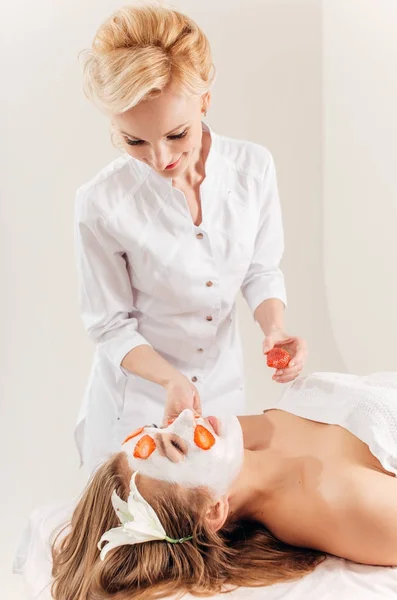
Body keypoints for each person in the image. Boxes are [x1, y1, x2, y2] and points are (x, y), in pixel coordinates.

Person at [74, 3, 307, 474]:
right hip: (138, 405)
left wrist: (274, 329)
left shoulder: (253, 169)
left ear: (204, 100)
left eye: (177, 134)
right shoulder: (101, 203)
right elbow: (110, 326)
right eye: (133, 141)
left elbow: (261, 270)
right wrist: (170, 382)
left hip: (222, 398)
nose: (161, 158)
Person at [51, 370, 397, 600]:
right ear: (215, 510)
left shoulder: (245, 438)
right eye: (177, 445)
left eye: (158, 428)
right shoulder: (347, 505)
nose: (185, 418)